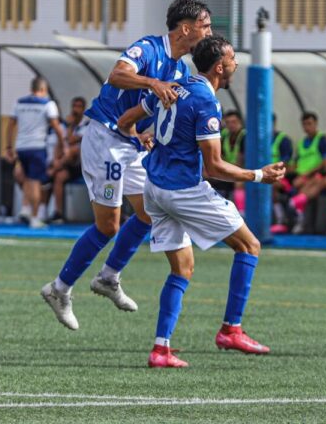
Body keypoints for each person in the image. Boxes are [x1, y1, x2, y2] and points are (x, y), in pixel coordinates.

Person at [41, 0, 212, 330]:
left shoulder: (180, 68)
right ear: (187, 28)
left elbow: (147, 109)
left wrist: (143, 132)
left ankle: (108, 277)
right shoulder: (148, 49)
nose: (209, 33)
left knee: (150, 212)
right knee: (108, 225)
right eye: (205, 26)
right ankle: (59, 289)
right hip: (104, 140)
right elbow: (118, 75)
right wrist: (152, 82)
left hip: (129, 142)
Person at [117, 35, 285, 368]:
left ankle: (160, 349)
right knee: (249, 246)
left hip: (155, 188)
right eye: (234, 57)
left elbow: (125, 122)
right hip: (183, 192)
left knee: (182, 269)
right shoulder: (206, 102)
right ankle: (231, 330)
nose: (237, 62)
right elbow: (214, 166)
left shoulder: (174, 86)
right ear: (220, 66)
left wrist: (145, 142)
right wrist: (259, 176)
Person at [5, 76, 65, 229]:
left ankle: (25, 208)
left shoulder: (19, 103)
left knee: (26, 178)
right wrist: (63, 144)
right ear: (44, 89)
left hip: (21, 147)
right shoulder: (48, 104)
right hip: (37, 147)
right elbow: (56, 127)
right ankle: (35, 217)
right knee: (36, 182)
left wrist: (8, 148)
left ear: (31, 88)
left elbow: (10, 125)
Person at [286, 112, 326, 234]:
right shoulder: (301, 143)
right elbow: (296, 162)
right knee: (293, 183)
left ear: (316, 124)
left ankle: (298, 214)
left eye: (309, 123)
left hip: (315, 175)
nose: (307, 127)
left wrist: (308, 173)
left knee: (303, 184)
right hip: (301, 176)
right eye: (304, 124)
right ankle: (296, 218)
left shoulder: (322, 140)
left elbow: (325, 162)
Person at [47, 96, 90, 224]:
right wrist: (55, 159)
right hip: (67, 164)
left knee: (73, 150)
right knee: (59, 176)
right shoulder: (65, 125)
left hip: (81, 164)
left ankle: (53, 169)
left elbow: (71, 140)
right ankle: (58, 213)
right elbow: (61, 143)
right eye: (74, 106)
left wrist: (70, 125)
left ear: (83, 109)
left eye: (79, 107)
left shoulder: (87, 125)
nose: (76, 110)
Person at [211, 110, 246, 209]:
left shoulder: (244, 136)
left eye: (234, 122)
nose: (231, 125)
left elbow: (241, 160)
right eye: (228, 122)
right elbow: (218, 155)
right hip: (229, 169)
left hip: (241, 171)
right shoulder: (225, 134)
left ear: (240, 122)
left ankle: (240, 211)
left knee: (238, 185)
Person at [269, 113, 294, 233]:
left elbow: (286, 164)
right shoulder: (257, 140)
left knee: (271, 185)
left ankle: (281, 219)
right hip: (263, 175)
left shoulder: (283, 140)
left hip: (282, 176)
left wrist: (272, 173)